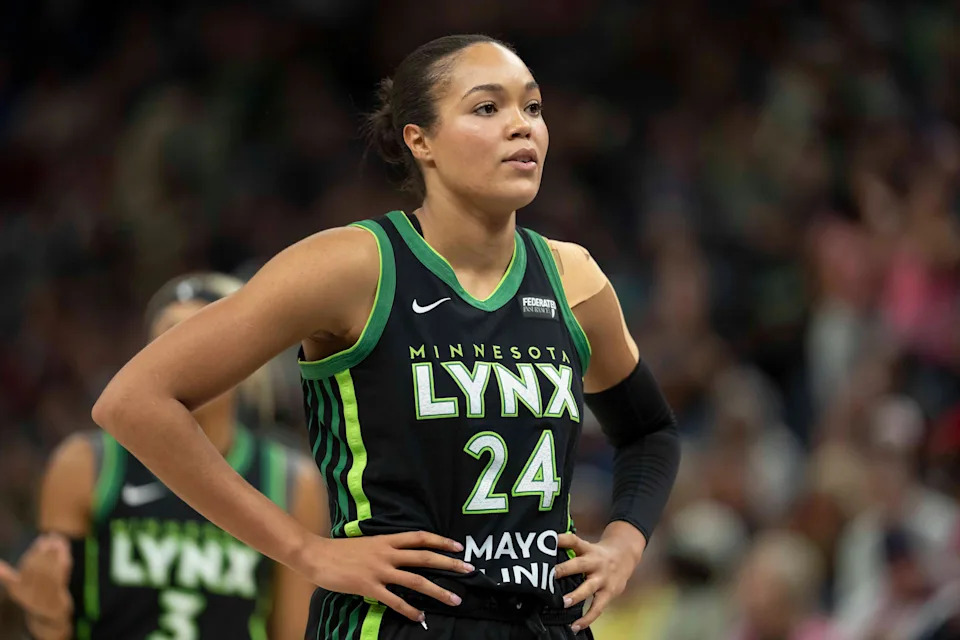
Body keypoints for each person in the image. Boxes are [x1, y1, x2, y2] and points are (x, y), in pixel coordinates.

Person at [88, 34, 680, 639]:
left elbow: (650, 432)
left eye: (531, 107)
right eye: (486, 108)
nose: (521, 126)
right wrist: (305, 550)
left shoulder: (572, 277)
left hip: (543, 622)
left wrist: (624, 545)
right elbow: (134, 401)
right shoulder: (353, 267)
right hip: (397, 622)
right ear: (418, 140)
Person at [0, 273, 327, 640]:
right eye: (168, 336)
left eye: (202, 334)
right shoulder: (85, 465)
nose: (182, 354)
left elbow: (294, 633)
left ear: (246, 356)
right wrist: (47, 618)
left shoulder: (291, 482)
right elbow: (53, 627)